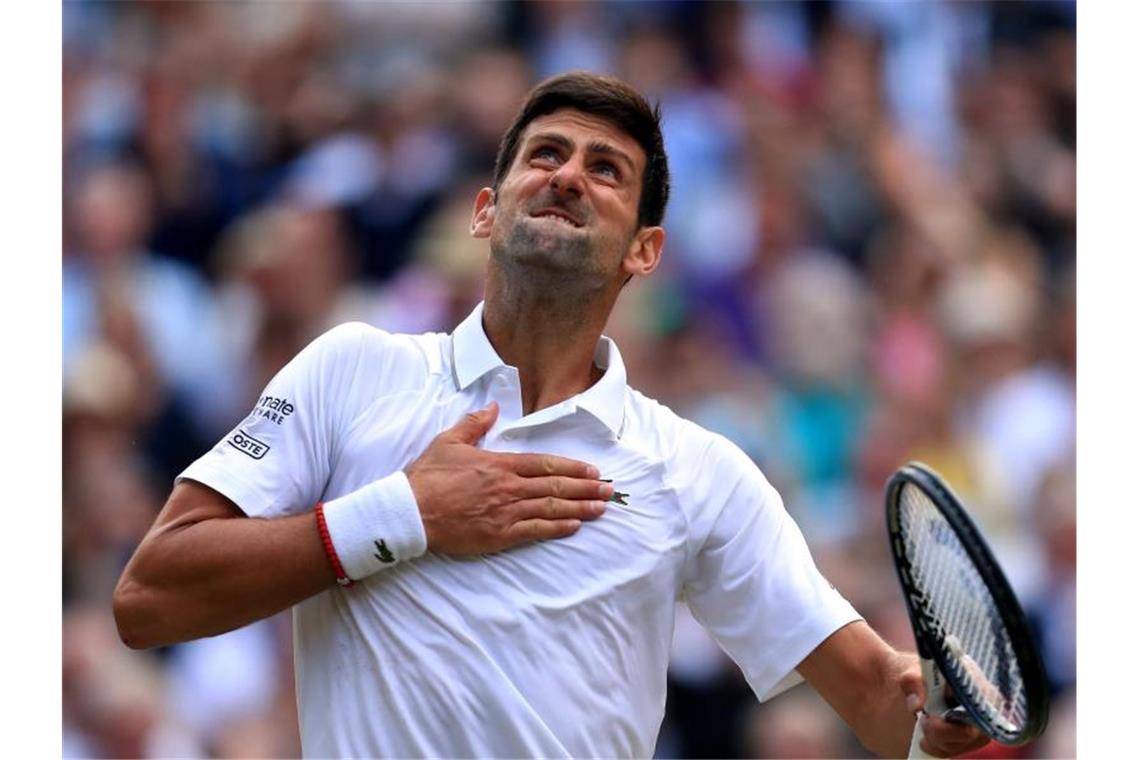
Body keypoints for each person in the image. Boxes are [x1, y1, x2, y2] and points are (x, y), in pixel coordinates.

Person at [113, 72, 988, 758]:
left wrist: (937, 715)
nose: (568, 175)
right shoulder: (350, 369)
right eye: (545, 155)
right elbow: (150, 597)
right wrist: (405, 514)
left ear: (645, 251)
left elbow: (878, 700)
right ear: (486, 210)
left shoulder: (699, 471)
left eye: (605, 170)